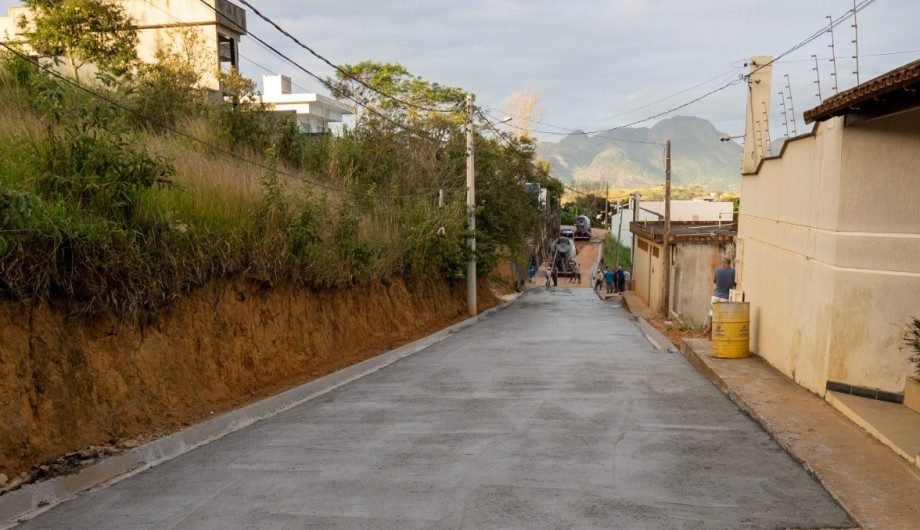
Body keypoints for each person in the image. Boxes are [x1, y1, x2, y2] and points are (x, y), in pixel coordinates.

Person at [704, 257, 736, 334]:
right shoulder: (733, 272)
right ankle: (721, 332)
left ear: (724, 263)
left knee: (712, 314)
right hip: (726, 298)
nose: (721, 264)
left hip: (715, 297)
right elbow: (734, 283)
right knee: (724, 317)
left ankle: (709, 330)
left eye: (722, 263)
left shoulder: (718, 271)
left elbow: (715, 281)